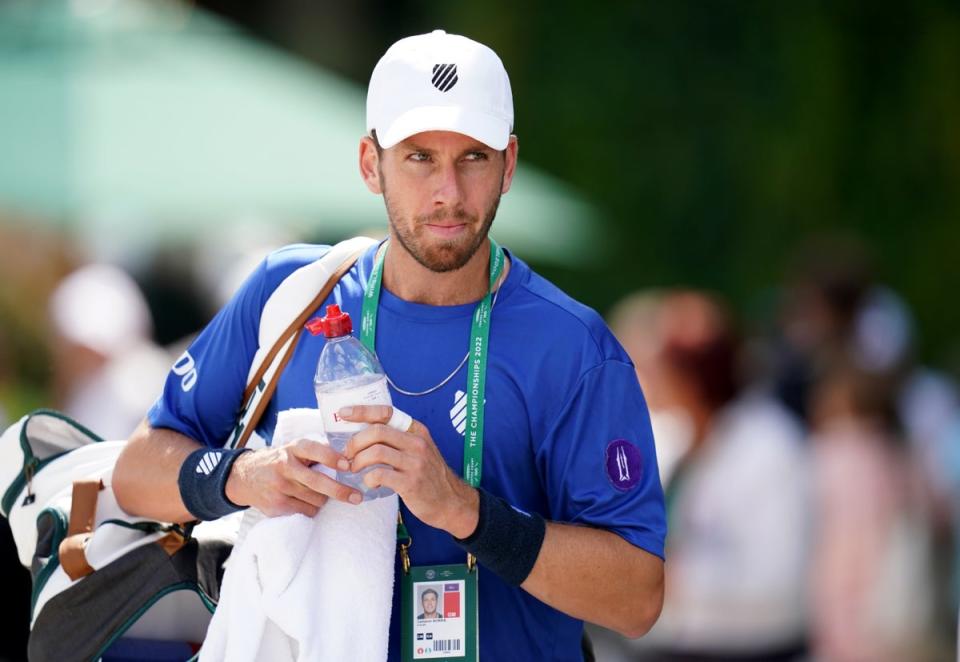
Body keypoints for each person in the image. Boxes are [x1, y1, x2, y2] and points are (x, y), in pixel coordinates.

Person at [113, 29, 666, 661]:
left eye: (473, 158)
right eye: (419, 157)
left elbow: (638, 597)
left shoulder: (575, 348)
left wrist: (465, 510)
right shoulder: (289, 293)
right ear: (370, 163)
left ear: (509, 164)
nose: (448, 194)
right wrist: (243, 475)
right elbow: (136, 472)